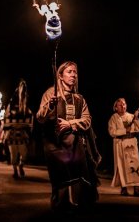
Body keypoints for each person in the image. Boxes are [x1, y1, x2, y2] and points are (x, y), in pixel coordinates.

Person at [36, 61, 99, 212]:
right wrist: (50, 106)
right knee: (61, 177)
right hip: (55, 144)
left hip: (75, 143)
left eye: (75, 72)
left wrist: (70, 124)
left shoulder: (79, 98)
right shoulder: (51, 93)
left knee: (79, 177)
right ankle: (60, 208)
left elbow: (87, 119)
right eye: (69, 72)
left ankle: (77, 206)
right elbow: (40, 117)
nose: (73, 75)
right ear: (60, 75)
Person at [108, 98, 139, 197]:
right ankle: (123, 188)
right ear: (116, 107)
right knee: (122, 166)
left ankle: (136, 188)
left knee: (134, 165)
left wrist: (136, 119)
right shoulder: (113, 118)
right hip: (120, 144)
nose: (123, 106)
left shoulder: (131, 116)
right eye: (120, 105)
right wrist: (125, 131)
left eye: (124, 104)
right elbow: (112, 132)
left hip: (131, 144)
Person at [3, 79, 33, 179]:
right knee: (13, 153)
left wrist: (27, 126)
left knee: (24, 154)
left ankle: (21, 165)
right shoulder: (11, 102)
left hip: (23, 133)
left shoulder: (26, 102)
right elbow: (6, 116)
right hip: (12, 133)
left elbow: (30, 116)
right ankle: (15, 170)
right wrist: (9, 127)